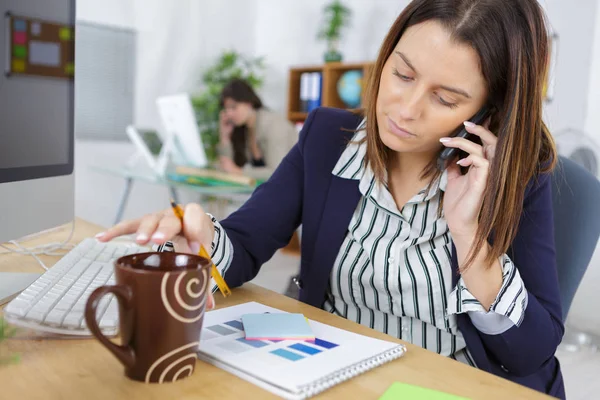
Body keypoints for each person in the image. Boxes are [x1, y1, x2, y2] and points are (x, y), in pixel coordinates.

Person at [97, 0, 565, 397]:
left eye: (445, 99)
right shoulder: (327, 138)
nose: (405, 110)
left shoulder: (514, 176)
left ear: (488, 109)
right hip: (334, 379)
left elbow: (529, 352)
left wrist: (472, 244)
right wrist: (201, 239)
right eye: (402, 74)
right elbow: (242, 247)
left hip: (452, 386)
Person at [218, 78, 298, 180]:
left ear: (249, 104)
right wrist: (224, 137)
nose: (229, 114)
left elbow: (278, 172)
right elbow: (227, 167)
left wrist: (239, 172)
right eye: (226, 109)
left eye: (234, 107)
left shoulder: (273, 125)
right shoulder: (245, 128)